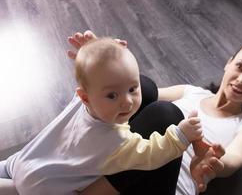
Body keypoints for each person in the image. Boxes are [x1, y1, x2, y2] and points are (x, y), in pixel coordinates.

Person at [67, 31, 242, 195]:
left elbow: (232, 161)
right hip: (123, 167)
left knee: (167, 114)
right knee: (145, 87)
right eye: (241, 66)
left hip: (160, 188)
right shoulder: (191, 92)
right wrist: (103, 61)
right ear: (229, 62)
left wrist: (211, 161)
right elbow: (134, 95)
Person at [0, 37, 207, 195]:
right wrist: (181, 135)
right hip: (43, 190)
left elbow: (96, 81)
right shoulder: (118, 143)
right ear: (86, 97)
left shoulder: (80, 103)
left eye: (133, 89)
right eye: (112, 95)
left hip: (22, 162)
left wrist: (96, 55)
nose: (126, 101)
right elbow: (152, 154)